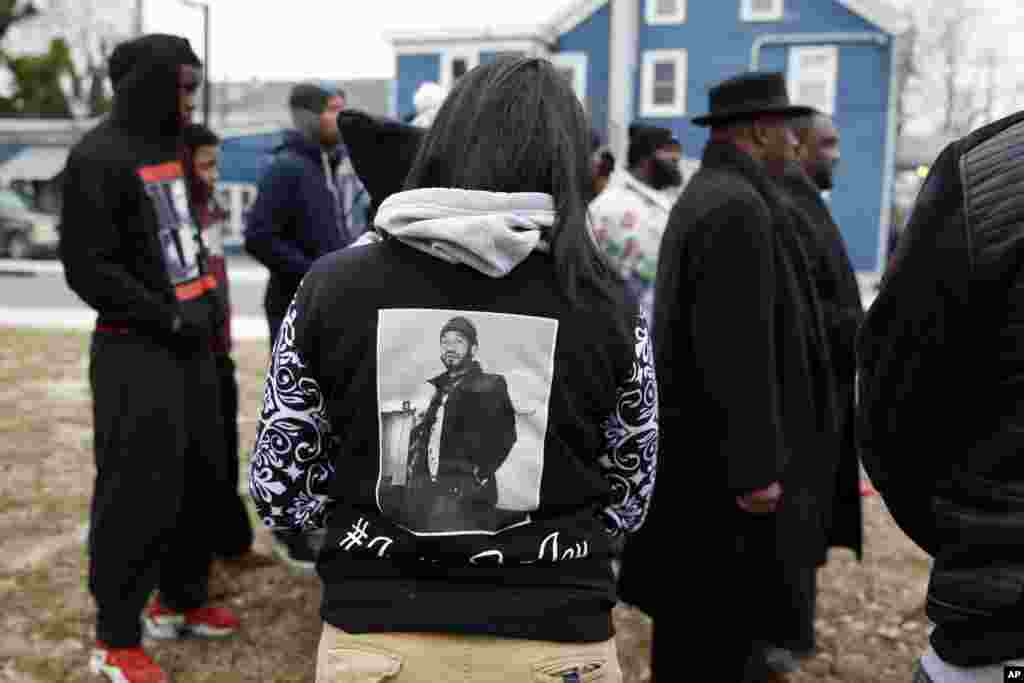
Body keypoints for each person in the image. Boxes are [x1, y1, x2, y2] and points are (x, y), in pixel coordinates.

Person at [249, 56, 658, 682]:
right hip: (555, 637)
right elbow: (630, 490)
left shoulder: (333, 285)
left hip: (379, 638)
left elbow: (281, 483)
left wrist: (358, 541)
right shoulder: (605, 301)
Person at [619, 72, 840, 683]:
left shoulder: (718, 194)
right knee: (714, 634)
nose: (794, 145)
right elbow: (735, 346)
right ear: (757, 131)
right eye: (785, 132)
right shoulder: (734, 207)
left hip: (704, 466)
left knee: (702, 629)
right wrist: (756, 467)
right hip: (718, 479)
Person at [59, 33, 240, 683]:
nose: (190, 98)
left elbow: (186, 237)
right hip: (135, 349)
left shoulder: (169, 144)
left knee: (200, 475)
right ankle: (116, 635)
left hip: (195, 345)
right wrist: (164, 313)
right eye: (181, 85)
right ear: (148, 83)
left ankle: (181, 599)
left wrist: (207, 306)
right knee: (137, 490)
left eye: (196, 85)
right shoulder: (97, 157)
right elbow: (86, 268)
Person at [858, 111, 1024, 682]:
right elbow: (898, 403)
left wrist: (974, 535)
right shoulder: (987, 175)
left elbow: (895, 416)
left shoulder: (984, 169)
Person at [758, 111, 864, 676]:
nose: (836, 154)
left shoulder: (802, 201)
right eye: (827, 143)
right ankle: (778, 639)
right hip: (796, 406)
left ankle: (789, 634)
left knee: (803, 529)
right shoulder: (784, 208)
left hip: (820, 399)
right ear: (795, 146)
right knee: (789, 530)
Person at [243, 82, 355, 573]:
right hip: (295, 310)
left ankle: (321, 516)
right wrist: (313, 273)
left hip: (332, 309)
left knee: (330, 418)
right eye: (333, 111)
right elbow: (258, 236)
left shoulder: (328, 168)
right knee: (296, 417)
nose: (341, 120)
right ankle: (289, 530)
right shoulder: (286, 168)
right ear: (305, 116)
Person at [182, 123, 272, 586]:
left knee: (223, 453)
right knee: (202, 460)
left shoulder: (211, 210)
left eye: (216, 164)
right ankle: (201, 560)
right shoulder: (180, 215)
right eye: (205, 164)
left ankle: (232, 544)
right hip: (193, 354)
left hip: (219, 349)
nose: (214, 174)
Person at [401, 315, 517, 533]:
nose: (450, 347)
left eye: (458, 341)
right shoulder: (434, 387)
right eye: (445, 341)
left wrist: (479, 476)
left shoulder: (491, 384)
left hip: (464, 494)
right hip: (424, 492)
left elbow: (506, 436)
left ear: (473, 349)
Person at [588, 123, 683, 314]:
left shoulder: (668, 201)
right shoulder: (610, 205)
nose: (676, 159)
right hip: (623, 325)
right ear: (646, 159)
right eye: (668, 152)